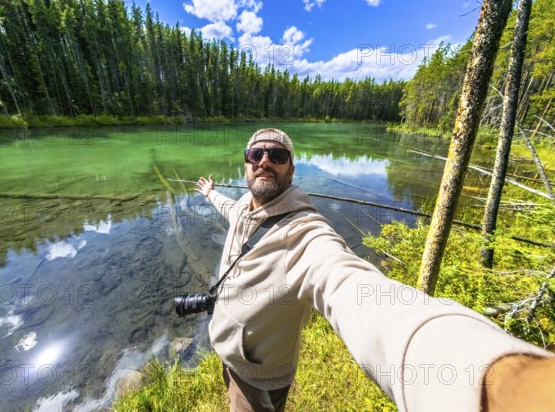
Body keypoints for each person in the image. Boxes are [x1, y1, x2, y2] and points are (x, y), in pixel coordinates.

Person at [194, 128, 554, 412]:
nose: (264, 161)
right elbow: (232, 211)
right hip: (229, 354)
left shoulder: (304, 233)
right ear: (245, 164)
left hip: (258, 376)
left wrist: (488, 377)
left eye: (277, 155)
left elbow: (350, 286)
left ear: (291, 168)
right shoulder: (244, 206)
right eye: (256, 154)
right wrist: (210, 193)